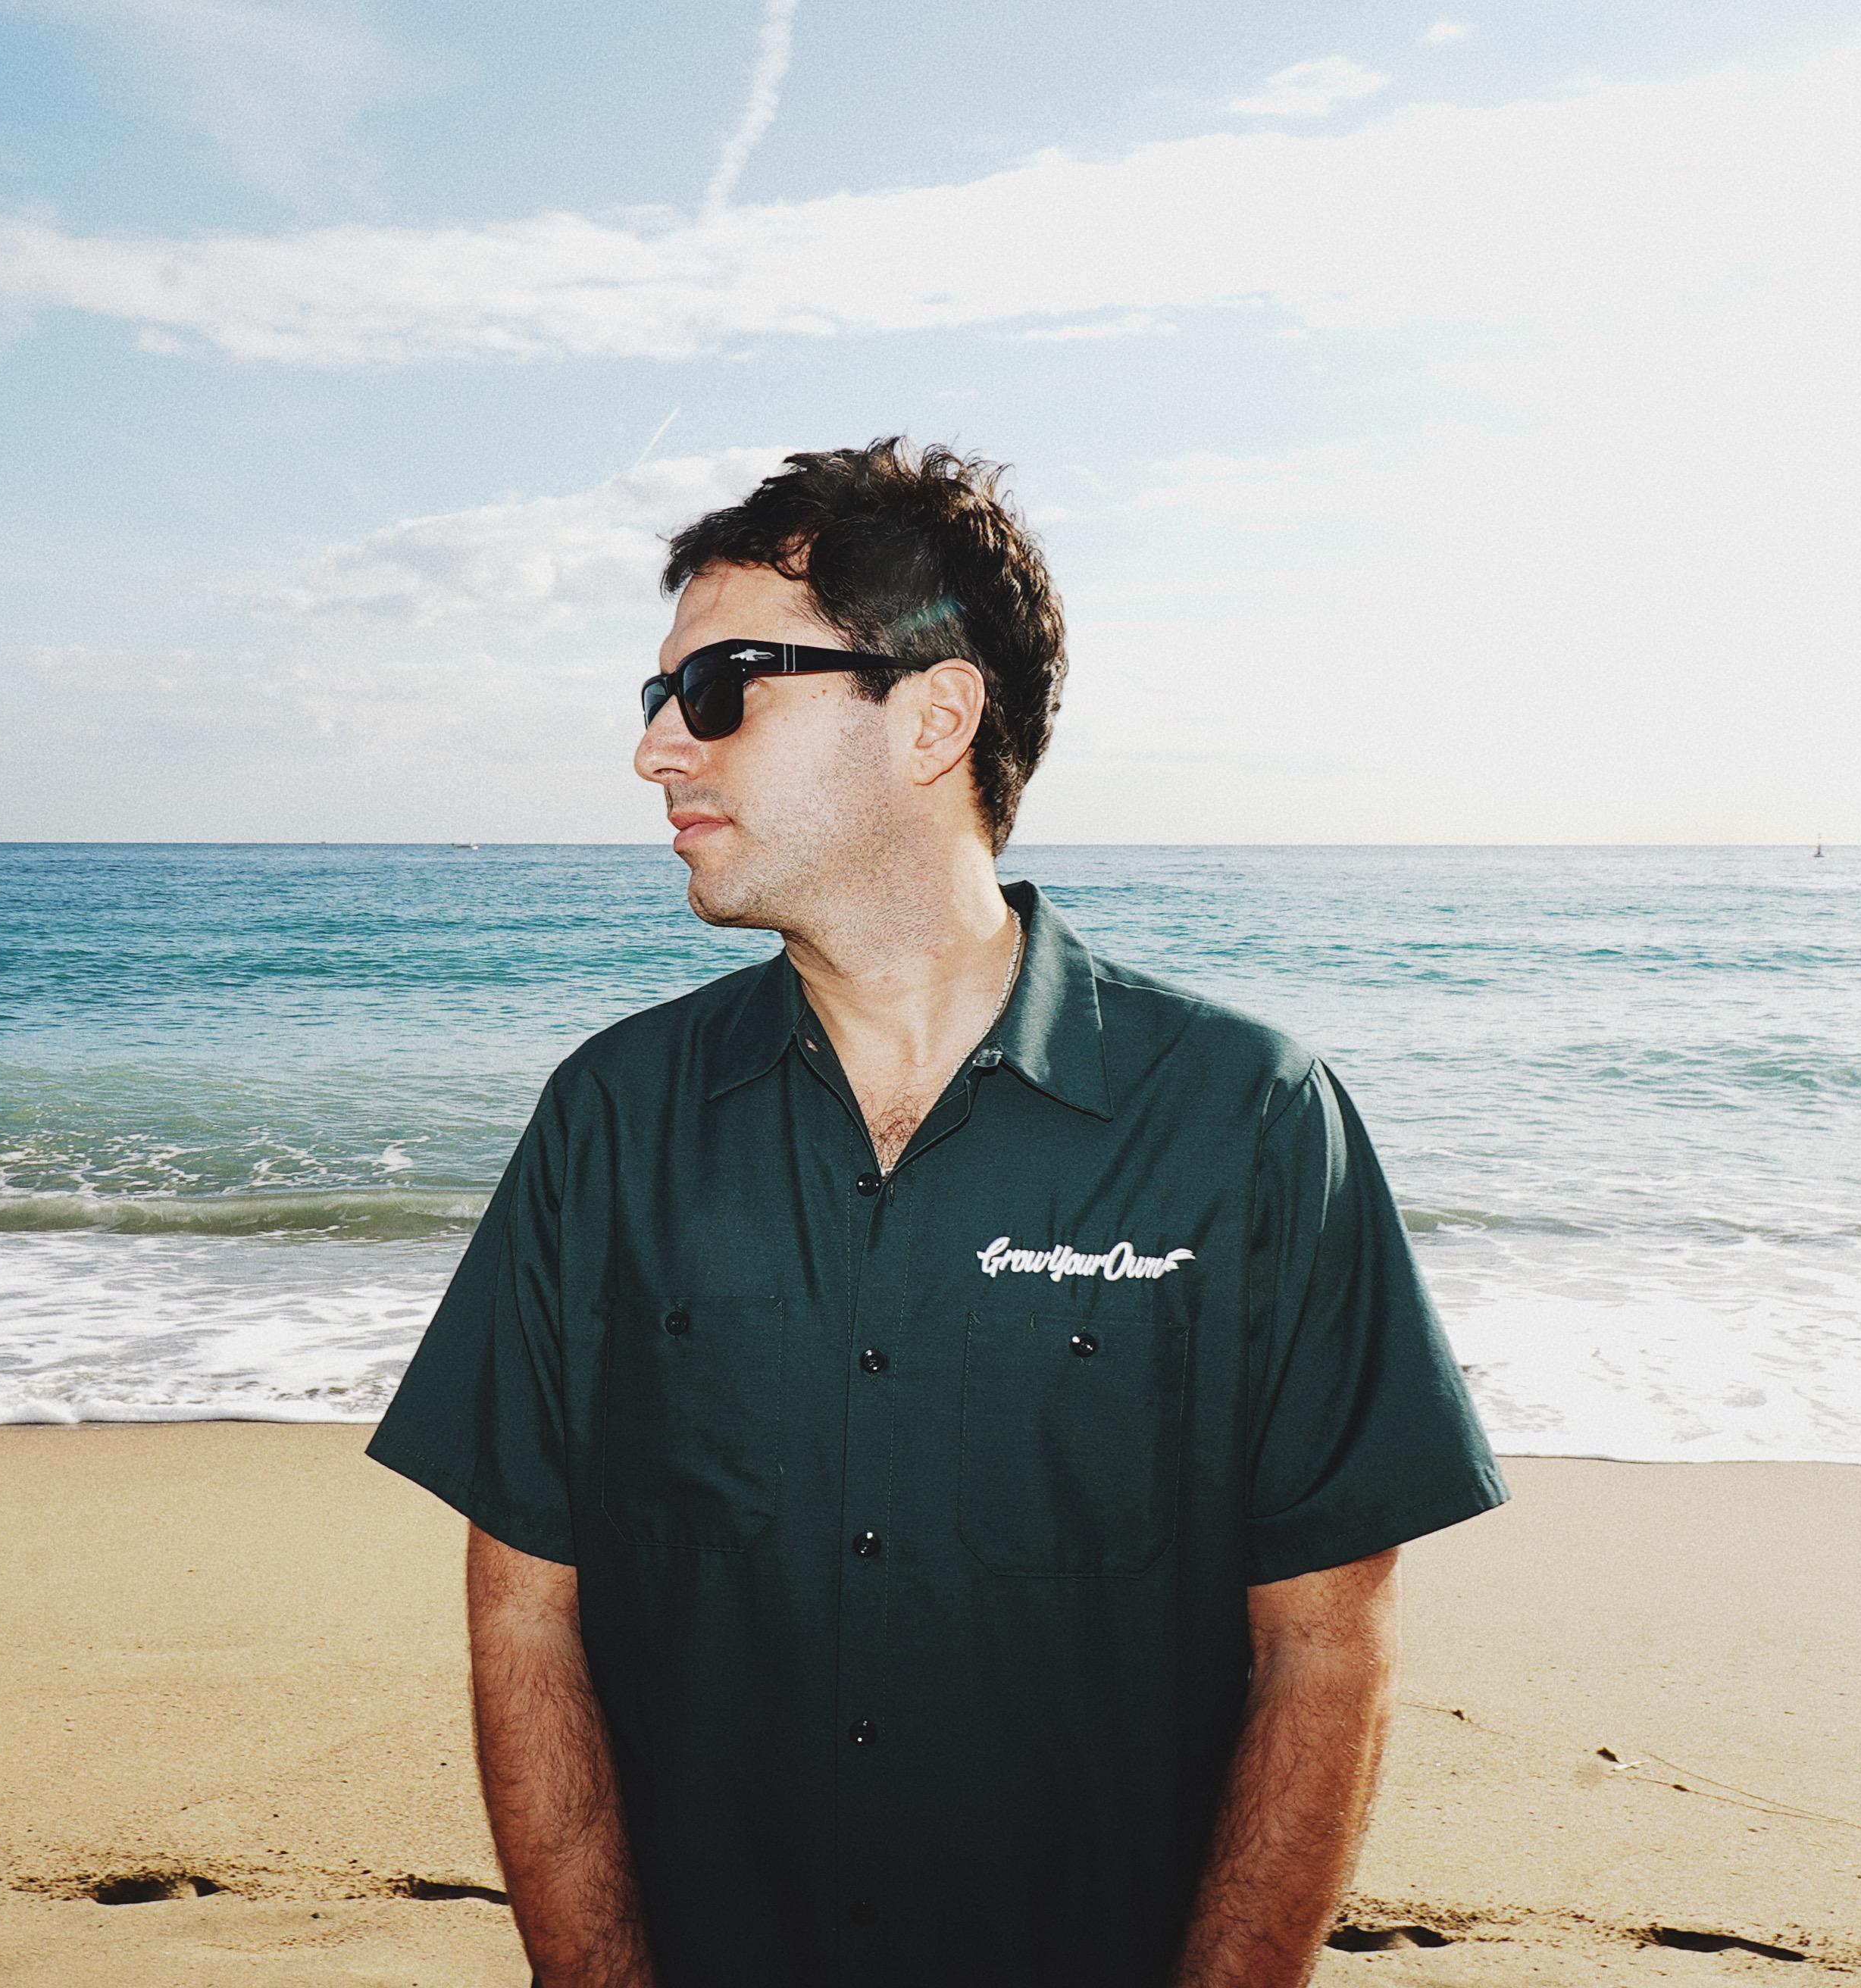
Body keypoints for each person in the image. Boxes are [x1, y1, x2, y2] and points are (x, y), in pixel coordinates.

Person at [366, 436, 1509, 1988]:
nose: (656, 750)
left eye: (720, 687)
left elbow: (1324, 1648)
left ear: (934, 715)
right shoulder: (612, 1118)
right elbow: (523, 1614)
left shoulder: (1242, 1117)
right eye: (656, 696)